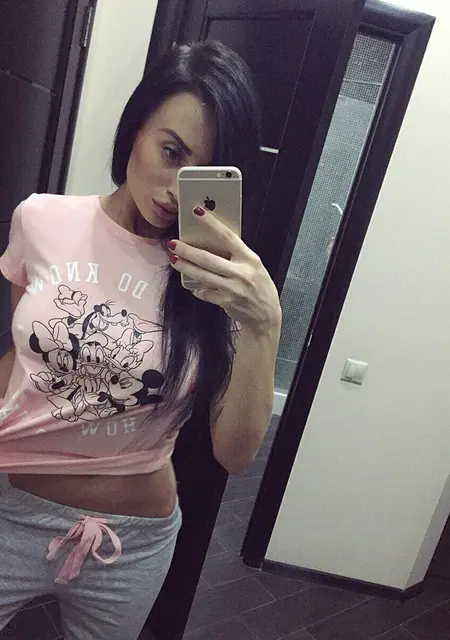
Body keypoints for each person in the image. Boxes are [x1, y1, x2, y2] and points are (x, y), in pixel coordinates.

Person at [0, 41, 281, 640]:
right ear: (135, 129)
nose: (177, 189)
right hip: (10, 511)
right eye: (170, 152)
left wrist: (264, 324)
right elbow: (25, 358)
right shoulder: (40, 219)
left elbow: (235, 455)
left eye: (201, 172)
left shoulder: (220, 281)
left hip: (132, 545)